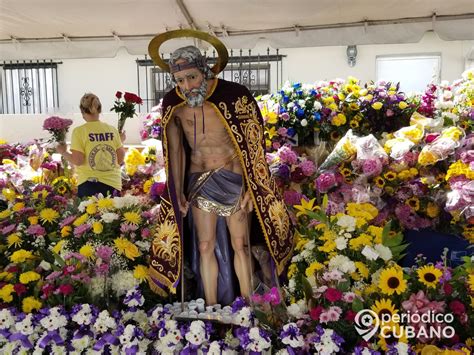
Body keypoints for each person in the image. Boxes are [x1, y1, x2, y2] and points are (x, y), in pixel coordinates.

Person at [148, 43, 293, 305]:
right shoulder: (174, 104)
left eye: (191, 77)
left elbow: (253, 143)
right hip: (198, 181)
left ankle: (249, 306)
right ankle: (211, 307)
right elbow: (175, 150)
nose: (187, 86)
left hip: (233, 178)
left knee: (241, 244)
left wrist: (253, 186)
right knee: (205, 246)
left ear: (204, 70)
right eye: (179, 80)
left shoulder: (233, 95)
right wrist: (177, 191)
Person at [56, 93, 125, 198]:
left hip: (89, 184)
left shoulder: (79, 131)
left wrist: (63, 152)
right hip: (113, 183)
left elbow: (78, 160)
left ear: (82, 112)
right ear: (100, 109)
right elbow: (120, 158)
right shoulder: (112, 130)